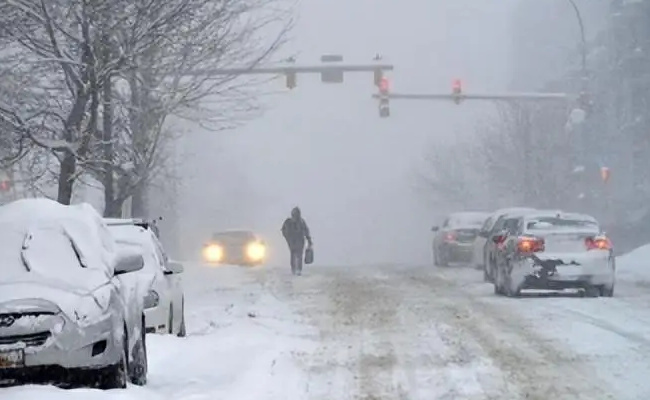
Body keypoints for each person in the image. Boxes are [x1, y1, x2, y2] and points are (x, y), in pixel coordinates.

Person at [281, 206, 313, 275]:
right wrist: (287, 237)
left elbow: (306, 231)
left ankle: (297, 270)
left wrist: (309, 240)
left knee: (298, 255)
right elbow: (283, 230)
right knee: (294, 255)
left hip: (299, 241)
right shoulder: (288, 222)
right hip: (293, 241)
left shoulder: (301, 221)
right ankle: (295, 269)